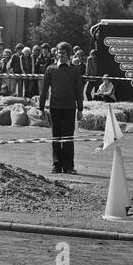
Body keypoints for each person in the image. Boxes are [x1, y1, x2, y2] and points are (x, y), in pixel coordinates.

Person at [40, 42, 83, 175]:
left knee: (68, 136)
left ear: (69, 54)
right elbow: (44, 89)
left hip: (70, 107)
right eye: (58, 52)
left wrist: (80, 109)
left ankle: (69, 166)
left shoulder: (75, 70)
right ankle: (57, 165)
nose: (60, 55)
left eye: (63, 53)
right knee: (56, 136)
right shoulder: (50, 69)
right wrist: (41, 107)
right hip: (55, 107)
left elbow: (79, 90)